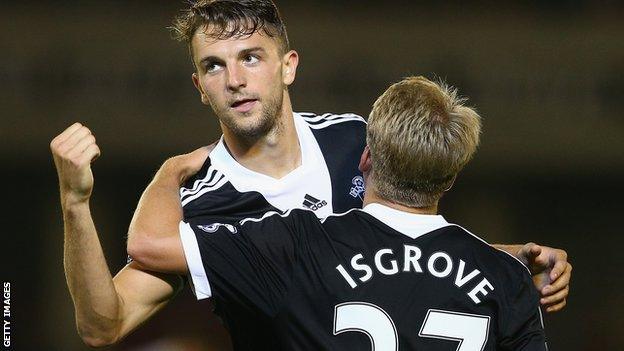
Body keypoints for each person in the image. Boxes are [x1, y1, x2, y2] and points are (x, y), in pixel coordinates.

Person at [49, 0, 570, 348]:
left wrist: (509, 259)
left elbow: (414, 247)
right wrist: (75, 206)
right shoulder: (198, 202)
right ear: (198, 85)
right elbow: (104, 323)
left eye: (251, 57)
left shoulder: (353, 137)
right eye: (214, 65)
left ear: (289, 65)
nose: (234, 80)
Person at [132, 76, 549, 350]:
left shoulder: (300, 247)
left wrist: (172, 173)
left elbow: (148, 246)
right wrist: (512, 258)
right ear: (449, 178)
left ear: (365, 158)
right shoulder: (505, 277)